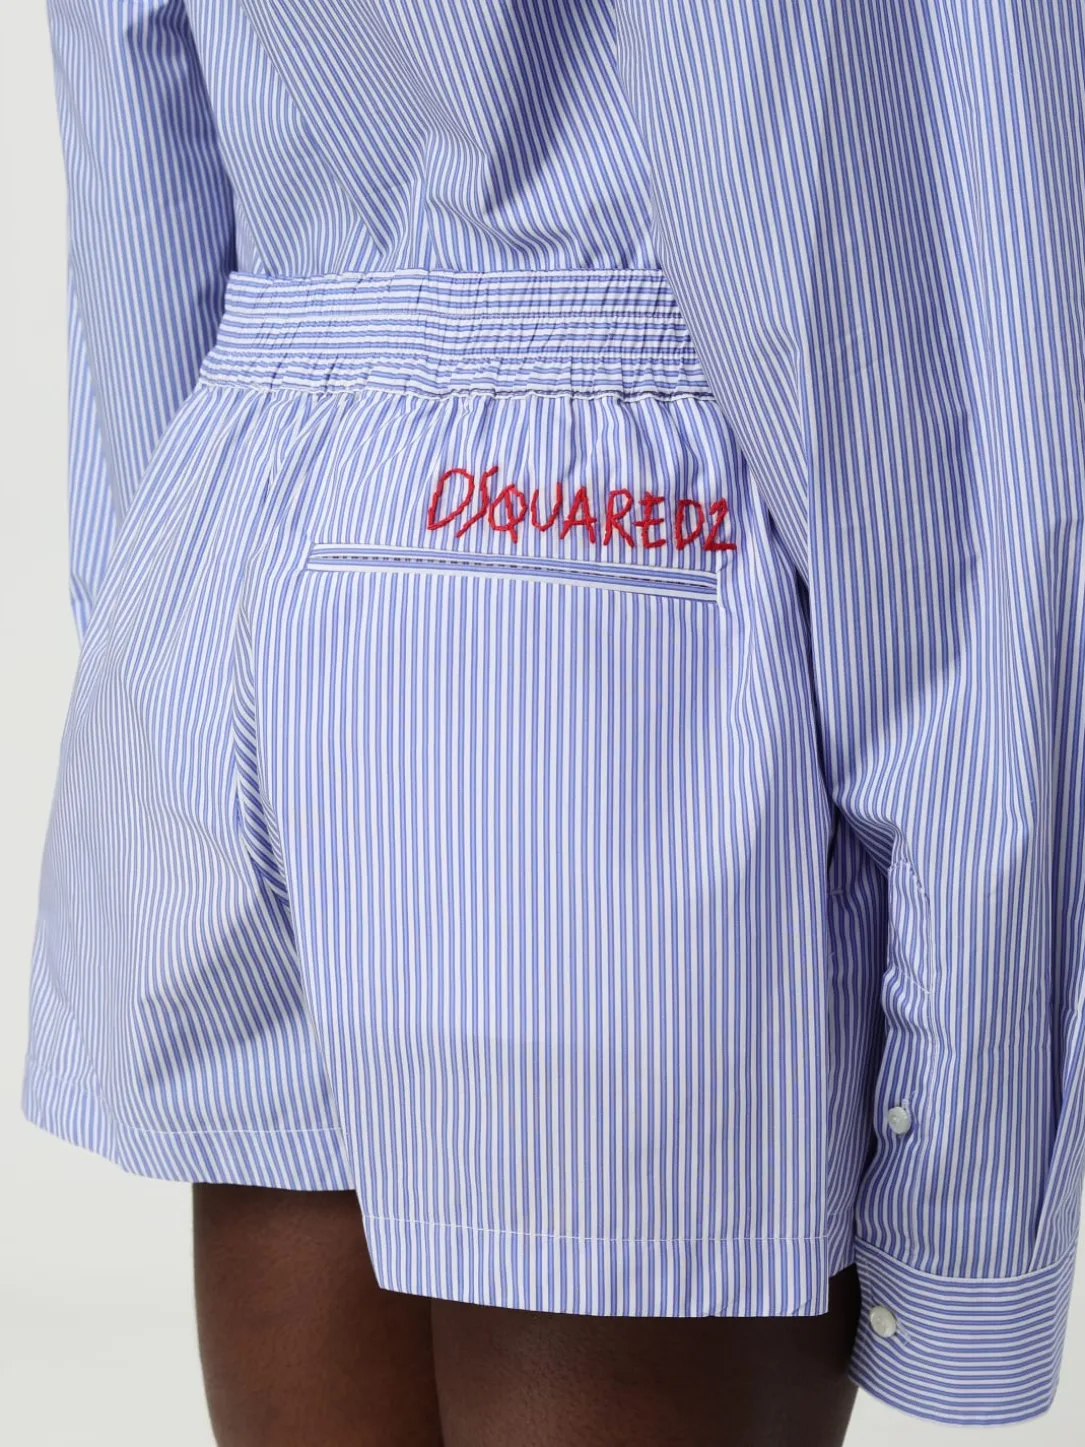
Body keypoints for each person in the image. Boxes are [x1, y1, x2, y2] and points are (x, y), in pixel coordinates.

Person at [24, 3, 1084, 1444]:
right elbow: (945, 349)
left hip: (245, 533)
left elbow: (132, 134)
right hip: (607, 620)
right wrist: (970, 1174)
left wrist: (170, 669)